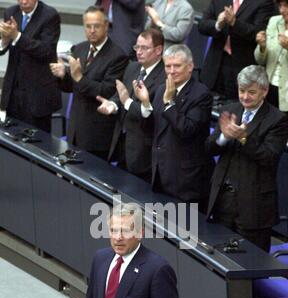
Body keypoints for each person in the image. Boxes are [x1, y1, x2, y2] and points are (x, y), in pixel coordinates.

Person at [206, 65, 288, 252]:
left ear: (264, 91)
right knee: (220, 262)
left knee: (250, 266)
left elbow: (269, 156)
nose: (245, 97)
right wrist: (224, 137)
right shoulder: (230, 109)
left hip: (254, 208)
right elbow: (208, 149)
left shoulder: (277, 119)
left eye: (251, 92)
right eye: (241, 91)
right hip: (223, 202)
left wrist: (243, 137)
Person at [134, 44, 213, 210]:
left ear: (190, 67)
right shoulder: (161, 89)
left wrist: (169, 103)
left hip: (186, 182)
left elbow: (187, 129)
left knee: (186, 231)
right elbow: (150, 130)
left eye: (177, 66)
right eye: (168, 66)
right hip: (160, 173)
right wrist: (146, 104)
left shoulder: (201, 94)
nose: (171, 71)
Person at [50, 6, 128, 160]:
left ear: (106, 26)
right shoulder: (79, 48)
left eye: (96, 26)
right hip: (76, 129)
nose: (92, 30)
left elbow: (106, 92)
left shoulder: (118, 56)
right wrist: (63, 76)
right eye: (88, 26)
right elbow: (72, 87)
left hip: (97, 135)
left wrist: (79, 77)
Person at [97, 28, 165, 181]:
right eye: (137, 47)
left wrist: (127, 102)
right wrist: (112, 105)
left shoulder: (164, 78)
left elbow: (151, 115)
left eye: (144, 48)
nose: (139, 52)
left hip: (144, 153)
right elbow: (120, 95)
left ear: (158, 50)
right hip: (121, 143)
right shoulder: (132, 67)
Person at [0, 0, 61, 132]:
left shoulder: (50, 15)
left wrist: (16, 36)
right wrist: (4, 40)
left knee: (37, 145)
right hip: (13, 93)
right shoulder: (11, 12)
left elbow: (46, 51)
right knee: (12, 142)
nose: (24, 1)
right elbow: (4, 47)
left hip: (37, 94)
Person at [198, 0, 276, 99]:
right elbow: (202, 25)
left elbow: (259, 33)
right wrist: (218, 24)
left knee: (233, 110)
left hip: (242, 68)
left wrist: (235, 23)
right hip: (214, 65)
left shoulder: (263, 2)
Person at [255, 0, 288, 112]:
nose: (282, 10)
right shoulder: (274, 21)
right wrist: (262, 47)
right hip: (269, 87)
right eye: (280, 5)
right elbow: (260, 60)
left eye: (286, 6)